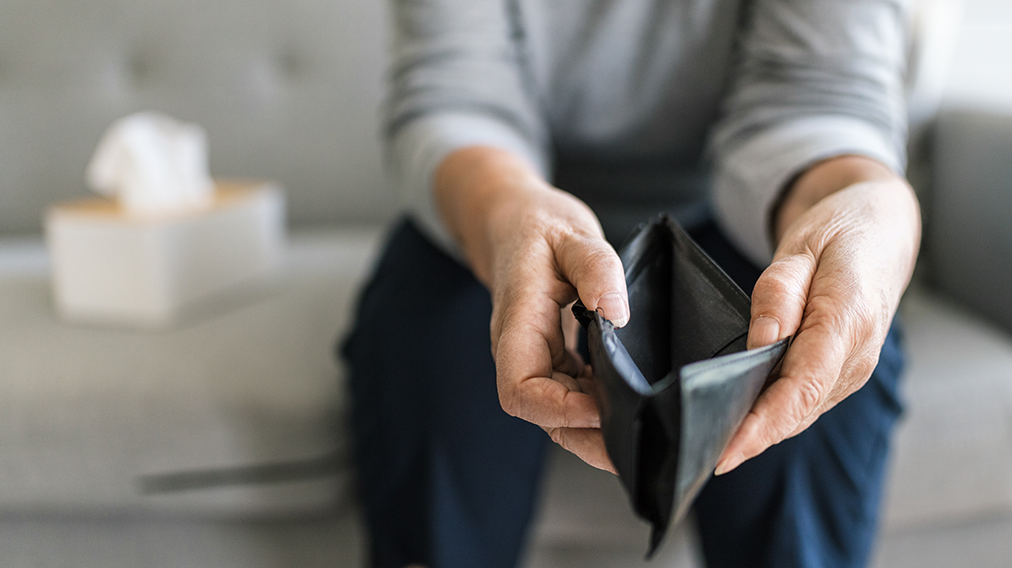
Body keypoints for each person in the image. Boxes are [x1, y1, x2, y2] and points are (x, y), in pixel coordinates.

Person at [341, 0, 921, 566]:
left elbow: (820, 96)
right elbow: (453, 93)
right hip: (503, 200)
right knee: (425, 355)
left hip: (743, 211)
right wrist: (508, 210)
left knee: (819, 374)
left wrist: (870, 207)